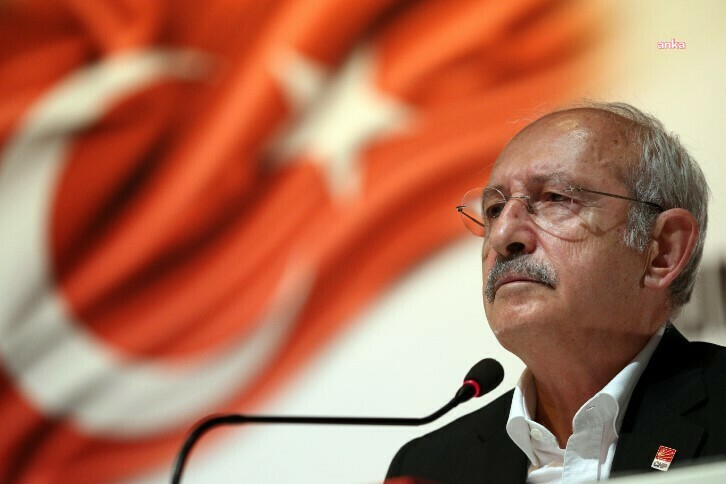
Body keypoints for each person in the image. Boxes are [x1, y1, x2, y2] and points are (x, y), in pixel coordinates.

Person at [386, 102, 726, 483]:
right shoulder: (428, 469)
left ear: (661, 251)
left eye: (555, 198)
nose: (502, 236)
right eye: (494, 209)